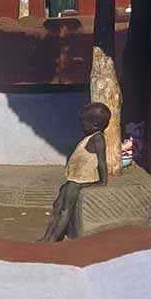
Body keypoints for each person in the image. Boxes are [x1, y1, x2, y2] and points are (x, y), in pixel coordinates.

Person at [37, 102, 110, 242]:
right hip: (73, 179)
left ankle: (52, 239)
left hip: (79, 181)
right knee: (56, 206)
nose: (82, 125)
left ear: (94, 125)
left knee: (65, 210)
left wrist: (103, 180)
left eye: (84, 123)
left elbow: (102, 161)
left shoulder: (98, 138)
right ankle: (46, 237)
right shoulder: (89, 138)